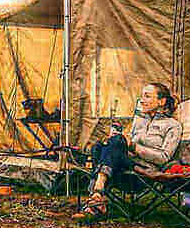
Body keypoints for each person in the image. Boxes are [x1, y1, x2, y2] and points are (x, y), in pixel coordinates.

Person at [73, 83, 182, 219]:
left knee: (112, 143)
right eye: (142, 96)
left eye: (147, 96)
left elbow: (164, 157)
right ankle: (98, 196)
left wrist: (133, 146)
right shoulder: (140, 121)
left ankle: (97, 193)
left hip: (144, 172)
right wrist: (120, 141)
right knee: (99, 146)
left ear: (162, 101)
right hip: (124, 166)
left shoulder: (173, 126)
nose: (142, 100)